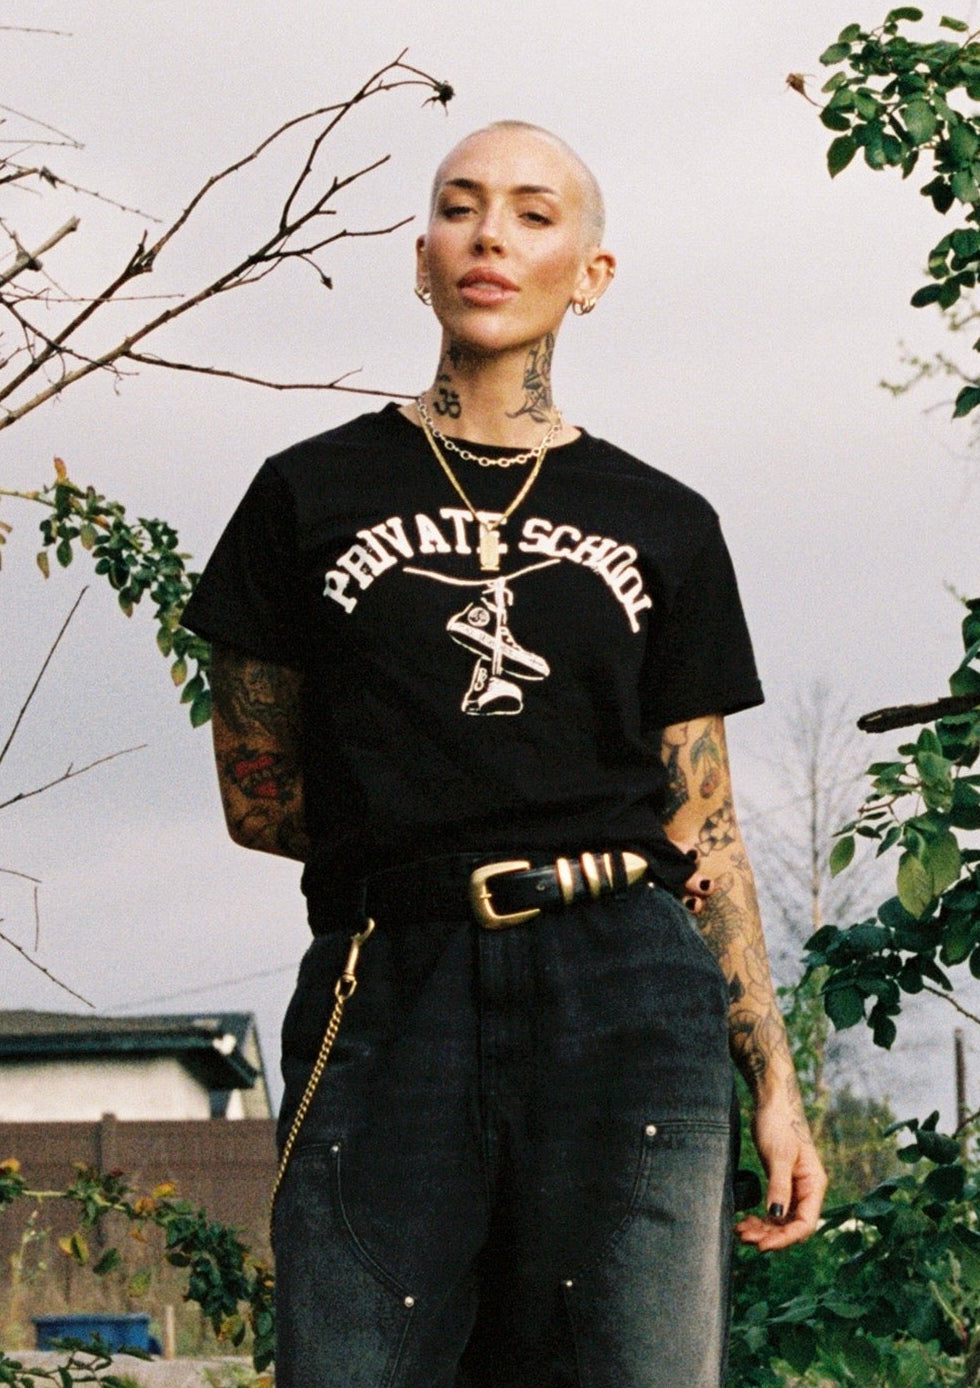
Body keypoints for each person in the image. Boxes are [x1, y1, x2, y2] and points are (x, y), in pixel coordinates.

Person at [180, 120, 827, 1388]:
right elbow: (260, 794)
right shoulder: (303, 495)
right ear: (421, 258)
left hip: (627, 988)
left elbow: (709, 818)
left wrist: (775, 1083)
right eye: (461, 208)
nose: (491, 235)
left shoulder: (665, 521)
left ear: (589, 272)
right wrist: (432, 841)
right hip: (390, 981)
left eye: (534, 213)